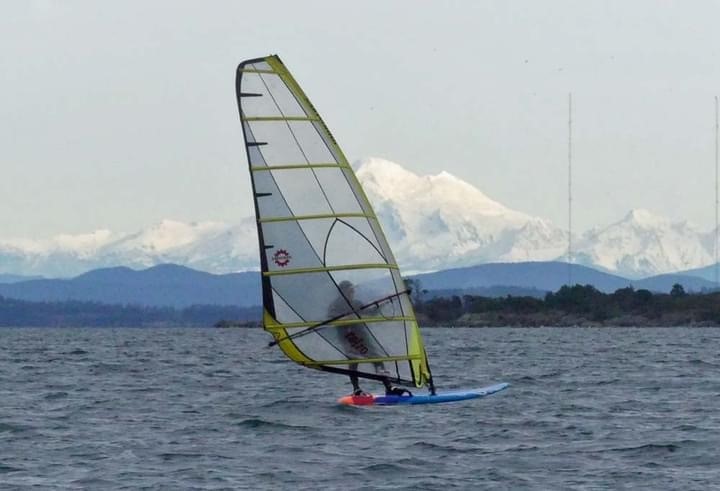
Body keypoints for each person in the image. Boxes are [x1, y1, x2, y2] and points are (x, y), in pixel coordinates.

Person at [328, 280, 409, 397]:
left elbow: (371, 313)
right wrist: (346, 318)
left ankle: (389, 387)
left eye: (353, 291)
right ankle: (356, 389)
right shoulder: (335, 305)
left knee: (377, 359)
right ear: (342, 292)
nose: (352, 293)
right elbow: (330, 318)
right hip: (348, 336)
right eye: (350, 291)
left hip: (362, 335)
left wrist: (383, 302)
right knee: (353, 360)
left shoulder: (356, 303)